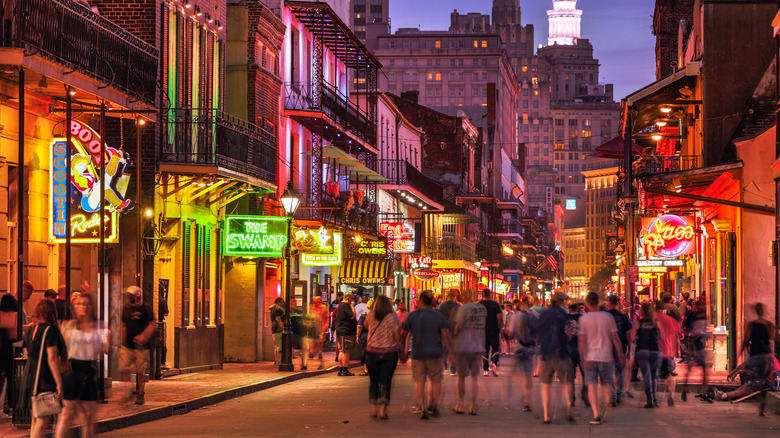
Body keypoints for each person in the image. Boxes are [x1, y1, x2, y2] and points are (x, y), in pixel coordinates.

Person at [55, 293, 109, 438]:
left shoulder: (99, 327)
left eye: (86, 304)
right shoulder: (68, 326)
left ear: (91, 307)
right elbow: (63, 349)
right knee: (66, 414)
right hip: (73, 370)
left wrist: (108, 340)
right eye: (80, 304)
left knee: (89, 417)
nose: (83, 307)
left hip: (89, 370)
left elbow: (106, 349)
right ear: (75, 307)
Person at [401, 290, 452, 419]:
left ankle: (423, 408)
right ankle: (433, 405)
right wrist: (449, 351)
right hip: (435, 353)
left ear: (421, 301)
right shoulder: (439, 315)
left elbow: (405, 333)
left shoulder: (412, 315)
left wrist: (405, 351)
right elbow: (446, 334)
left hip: (418, 353)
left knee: (420, 382)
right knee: (436, 381)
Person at [579, 292, 624, 425]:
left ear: (587, 304)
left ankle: (596, 414)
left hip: (590, 356)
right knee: (606, 383)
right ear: (599, 302)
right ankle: (606, 402)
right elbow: (614, 337)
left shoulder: (584, 319)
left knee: (592, 385)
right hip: (606, 356)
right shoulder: (607, 317)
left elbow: (581, 340)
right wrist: (620, 353)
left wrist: (582, 357)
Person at [21, 299, 64, 438]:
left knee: (35, 417)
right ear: (52, 312)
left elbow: (27, 350)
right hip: (44, 375)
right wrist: (59, 383)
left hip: (30, 373)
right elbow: (52, 358)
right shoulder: (49, 330)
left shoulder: (30, 329)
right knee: (43, 419)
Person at [534, 291, 574, 424]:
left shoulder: (544, 313)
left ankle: (546, 414)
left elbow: (537, 331)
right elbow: (569, 332)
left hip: (546, 352)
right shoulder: (564, 314)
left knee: (546, 383)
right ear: (560, 301)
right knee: (566, 382)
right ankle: (568, 408)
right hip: (561, 352)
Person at [364, 295, 404, 420]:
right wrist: (402, 352)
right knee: (386, 381)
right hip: (389, 353)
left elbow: (365, 326)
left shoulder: (370, 315)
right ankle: (383, 410)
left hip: (372, 353)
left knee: (374, 380)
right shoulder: (393, 318)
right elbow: (398, 337)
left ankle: (373, 409)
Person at [451, 292, 486, 415]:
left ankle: (461, 404)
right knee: (474, 377)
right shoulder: (482, 309)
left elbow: (459, 326)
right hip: (478, 345)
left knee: (461, 377)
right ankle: (473, 406)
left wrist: (454, 332)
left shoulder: (463, 309)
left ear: (465, 297)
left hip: (463, 346)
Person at [120, 286, 155, 405]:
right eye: (129, 295)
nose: (130, 297)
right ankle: (126, 392)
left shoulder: (146, 309)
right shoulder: (126, 309)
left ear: (138, 295)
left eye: (132, 294)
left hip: (141, 346)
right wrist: (122, 341)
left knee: (140, 370)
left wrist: (143, 337)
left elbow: (152, 325)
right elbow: (123, 325)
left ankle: (140, 394)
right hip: (128, 345)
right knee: (124, 368)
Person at [631, 301, 661, 409]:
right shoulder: (656, 322)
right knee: (654, 376)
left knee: (646, 376)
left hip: (642, 351)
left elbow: (632, 338)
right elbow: (661, 336)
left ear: (642, 310)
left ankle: (649, 401)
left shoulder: (638, 322)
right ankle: (655, 399)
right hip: (655, 350)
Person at [509, 295, 536, 412]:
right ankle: (527, 399)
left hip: (519, 347)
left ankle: (510, 393)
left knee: (515, 373)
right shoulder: (535, 316)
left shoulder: (516, 317)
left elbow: (510, 333)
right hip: (530, 347)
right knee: (528, 375)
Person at [681, 294, 709, 401]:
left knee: (703, 370)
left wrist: (704, 335)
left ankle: (704, 393)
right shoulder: (692, 316)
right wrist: (691, 335)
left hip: (700, 345)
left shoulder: (703, 316)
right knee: (692, 368)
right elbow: (685, 327)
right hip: (694, 345)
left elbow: (704, 329)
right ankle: (685, 389)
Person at [606, 295, 631, 404]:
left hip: (608, 346)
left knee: (610, 370)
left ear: (609, 303)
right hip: (622, 344)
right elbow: (628, 333)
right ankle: (620, 393)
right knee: (620, 370)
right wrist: (629, 349)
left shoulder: (606, 316)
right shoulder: (623, 317)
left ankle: (613, 395)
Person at [655, 300, 681, 407]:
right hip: (667, 350)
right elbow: (675, 335)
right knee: (668, 375)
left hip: (656, 350)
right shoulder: (669, 320)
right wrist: (677, 349)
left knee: (654, 375)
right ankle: (670, 395)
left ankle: (656, 397)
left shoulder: (653, 318)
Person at [0, 294, 18, 414]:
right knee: (11, 378)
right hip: (8, 349)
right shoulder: (13, 314)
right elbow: (13, 335)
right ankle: (12, 406)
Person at [480, 289, 504, 376]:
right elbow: (499, 317)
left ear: (483, 294)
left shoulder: (480, 305)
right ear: (490, 294)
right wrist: (501, 327)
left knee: (485, 350)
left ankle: (485, 370)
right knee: (495, 348)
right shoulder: (495, 304)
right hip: (494, 329)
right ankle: (494, 364)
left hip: (483, 330)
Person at [438, 289, 461, 375]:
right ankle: (453, 367)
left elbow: (439, 317)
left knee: (444, 347)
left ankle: (444, 365)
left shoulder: (442, 305)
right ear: (454, 296)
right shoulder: (457, 306)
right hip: (454, 329)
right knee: (454, 349)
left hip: (444, 328)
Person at [335, 292, 357, 376]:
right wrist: (352, 307)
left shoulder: (341, 305)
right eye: (351, 299)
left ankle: (341, 369)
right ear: (348, 298)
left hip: (341, 331)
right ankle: (344, 369)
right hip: (346, 331)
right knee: (346, 351)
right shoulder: (345, 305)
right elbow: (352, 316)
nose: (352, 301)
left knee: (342, 350)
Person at [306, 296, 329, 370]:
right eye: (316, 300)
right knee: (312, 345)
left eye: (319, 300)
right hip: (313, 328)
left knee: (319, 345)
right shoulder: (312, 308)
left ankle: (320, 361)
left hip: (320, 328)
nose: (317, 301)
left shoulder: (324, 308)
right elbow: (309, 317)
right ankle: (311, 356)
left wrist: (326, 325)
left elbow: (327, 317)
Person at [270, 297, 285, 366]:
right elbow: (278, 319)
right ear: (279, 302)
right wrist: (283, 328)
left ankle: (276, 360)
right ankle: (279, 360)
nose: (283, 303)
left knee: (276, 346)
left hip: (274, 328)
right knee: (280, 346)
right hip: (278, 329)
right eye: (282, 302)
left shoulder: (273, 309)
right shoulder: (278, 309)